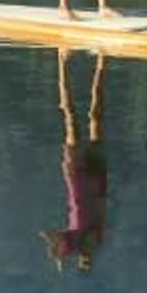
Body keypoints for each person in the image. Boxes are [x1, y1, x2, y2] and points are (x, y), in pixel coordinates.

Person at [41, 48, 108, 273]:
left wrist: (55, 252)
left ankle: (61, 60)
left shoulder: (72, 244)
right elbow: (102, 209)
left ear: (78, 256)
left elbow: (49, 233)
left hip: (77, 174)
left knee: (70, 116)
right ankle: (101, 61)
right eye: (89, 259)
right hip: (97, 177)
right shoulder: (98, 238)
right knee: (96, 117)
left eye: (83, 259)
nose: (87, 254)